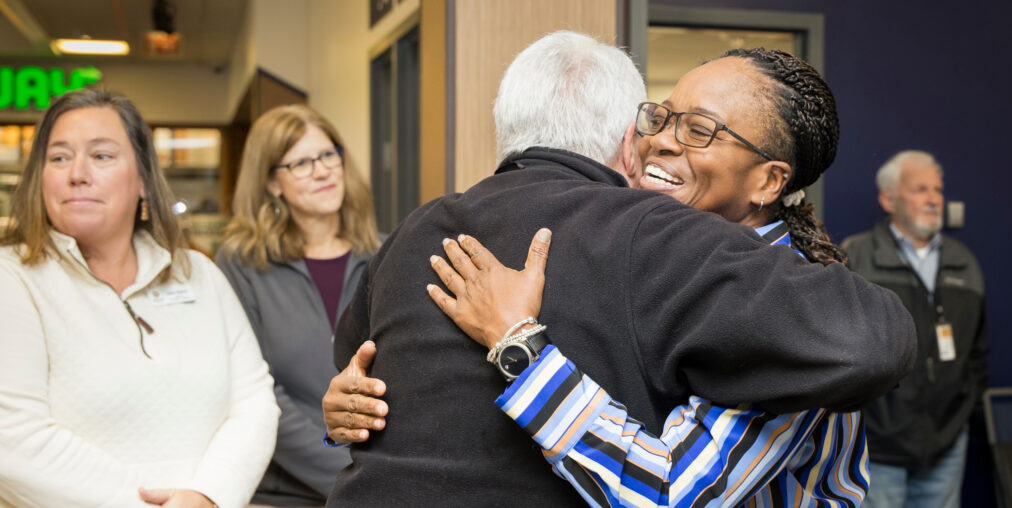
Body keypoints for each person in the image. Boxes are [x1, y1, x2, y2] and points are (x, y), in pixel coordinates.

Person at [326, 32, 914, 506]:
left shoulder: (791, 308)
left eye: (699, 130)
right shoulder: (649, 250)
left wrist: (519, 345)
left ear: (768, 181)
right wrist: (354, 401)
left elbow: (669, 494)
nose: (659, 143)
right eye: (661, 118)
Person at [0, 89, 279, 508]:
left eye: (102, 156)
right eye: (59, 157)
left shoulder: (198, 273)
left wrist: (209, 496)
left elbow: (254, 403)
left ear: (144, 180)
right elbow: (13, 438)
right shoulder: (12, 277)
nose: (77, 173)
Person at [215, 104, 380, 506]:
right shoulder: (241, 264)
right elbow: (256, 393)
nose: (322, 171)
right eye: (301, 164)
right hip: (284, 493)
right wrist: (349, 477)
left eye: (328, 155)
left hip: (379, 479)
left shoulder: (384, 254)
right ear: (272, 182)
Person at [841, 150, 988, 508]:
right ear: (888, 199)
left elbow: (978, 350)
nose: (934, 199)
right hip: (877, 445)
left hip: (946, 442)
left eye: (938, 190)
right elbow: (840, 349)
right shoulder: (855, 256)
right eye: (920, 189)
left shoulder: (964, 261)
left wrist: (962, 414)